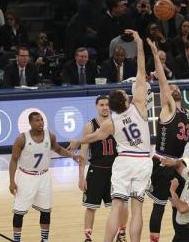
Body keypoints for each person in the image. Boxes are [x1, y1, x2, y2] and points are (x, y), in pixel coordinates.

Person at [68, 29, 151, 242]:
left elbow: (92, 137)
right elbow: (142, 71)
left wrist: (77, 140)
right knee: (138, 210)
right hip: (142, 160)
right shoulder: (139, 106)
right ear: (125, 101)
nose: (127, 93)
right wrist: (140, 44)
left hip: (123, 162)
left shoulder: (110, 122)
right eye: (125, 93)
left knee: (116, 207)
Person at [146, 39, 189, 242]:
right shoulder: (168, 109)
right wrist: (154, 54)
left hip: (178, 163)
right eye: (171, 86)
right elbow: (161, 81)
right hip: (161, 161)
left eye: (175, 86)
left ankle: (181, 235)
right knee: (159, 205)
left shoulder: (186, 113)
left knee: (178, 202)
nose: (172, 87)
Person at [8, 112, 80, 242]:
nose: (40, 122)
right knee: (19, 211)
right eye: (37, 120)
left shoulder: (50, 136)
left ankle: (44, 239)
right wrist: (12, 181)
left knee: (46, 210)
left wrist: (72, 155)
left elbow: (57, 149)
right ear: (30, 123)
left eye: (41, 120)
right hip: (26, 177)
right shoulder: (22, 139)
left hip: (44, 176)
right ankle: (17, 239)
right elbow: (13, 160)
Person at [79, 95, 129, 242]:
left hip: (116, 171)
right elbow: (83, 153)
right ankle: (88, 238)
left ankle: (121, 234)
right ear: (96, 107)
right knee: (91, 206)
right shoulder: (90, 126)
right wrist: (81, 176)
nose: (105, 107)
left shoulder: (118, 123)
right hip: (96, 170)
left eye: (107, 104)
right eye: (101, 105)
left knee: (122, 205)